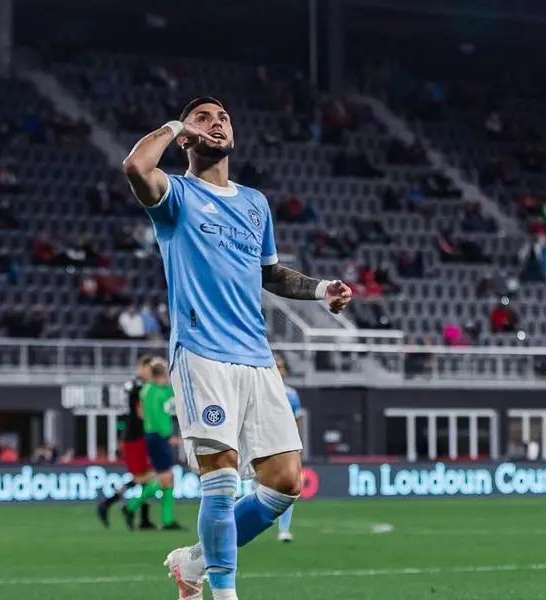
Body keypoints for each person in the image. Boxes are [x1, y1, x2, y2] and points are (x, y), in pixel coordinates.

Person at [122, 96, 352, 600]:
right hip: (202, 351)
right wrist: (173, 125)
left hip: (256, 355)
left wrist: (320, 291)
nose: (217, 123)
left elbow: (270, 273)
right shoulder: (176, 196)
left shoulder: (254, 203)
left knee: (284, 481)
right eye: (204, 118)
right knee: (222, 477)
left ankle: (196, 561)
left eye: (224, 117)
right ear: (186, 136)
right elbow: (137, 165)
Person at [97, 356, 158, 530]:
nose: (149, 371)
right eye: (147, 367)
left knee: (145, 479)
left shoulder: (146, 387)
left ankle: (143, 519)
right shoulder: (137, 386)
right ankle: (109, 504)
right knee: (146, 477)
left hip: (141, 436)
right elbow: (139, 411)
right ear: (141, 369)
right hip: (135, 437)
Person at [123, 359, 181, 530]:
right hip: (157, 436)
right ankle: (131, 506)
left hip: (156, 436)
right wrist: (167, 435)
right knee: (165, 478)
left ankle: (167, 520)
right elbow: (155, 416)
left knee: (168, 478)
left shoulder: (155, 390)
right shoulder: (152, 392)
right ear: (161, 376)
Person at [273, 356, 302, 543]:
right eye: (275, 366)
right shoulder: (259, 391)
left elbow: (297, 419)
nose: (278, 370)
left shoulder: (291, 394)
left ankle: (284, 529)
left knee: (288, 488)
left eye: (281, 367)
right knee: (258, 487)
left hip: (285, 444)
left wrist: (296, 443)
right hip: (260, 444)